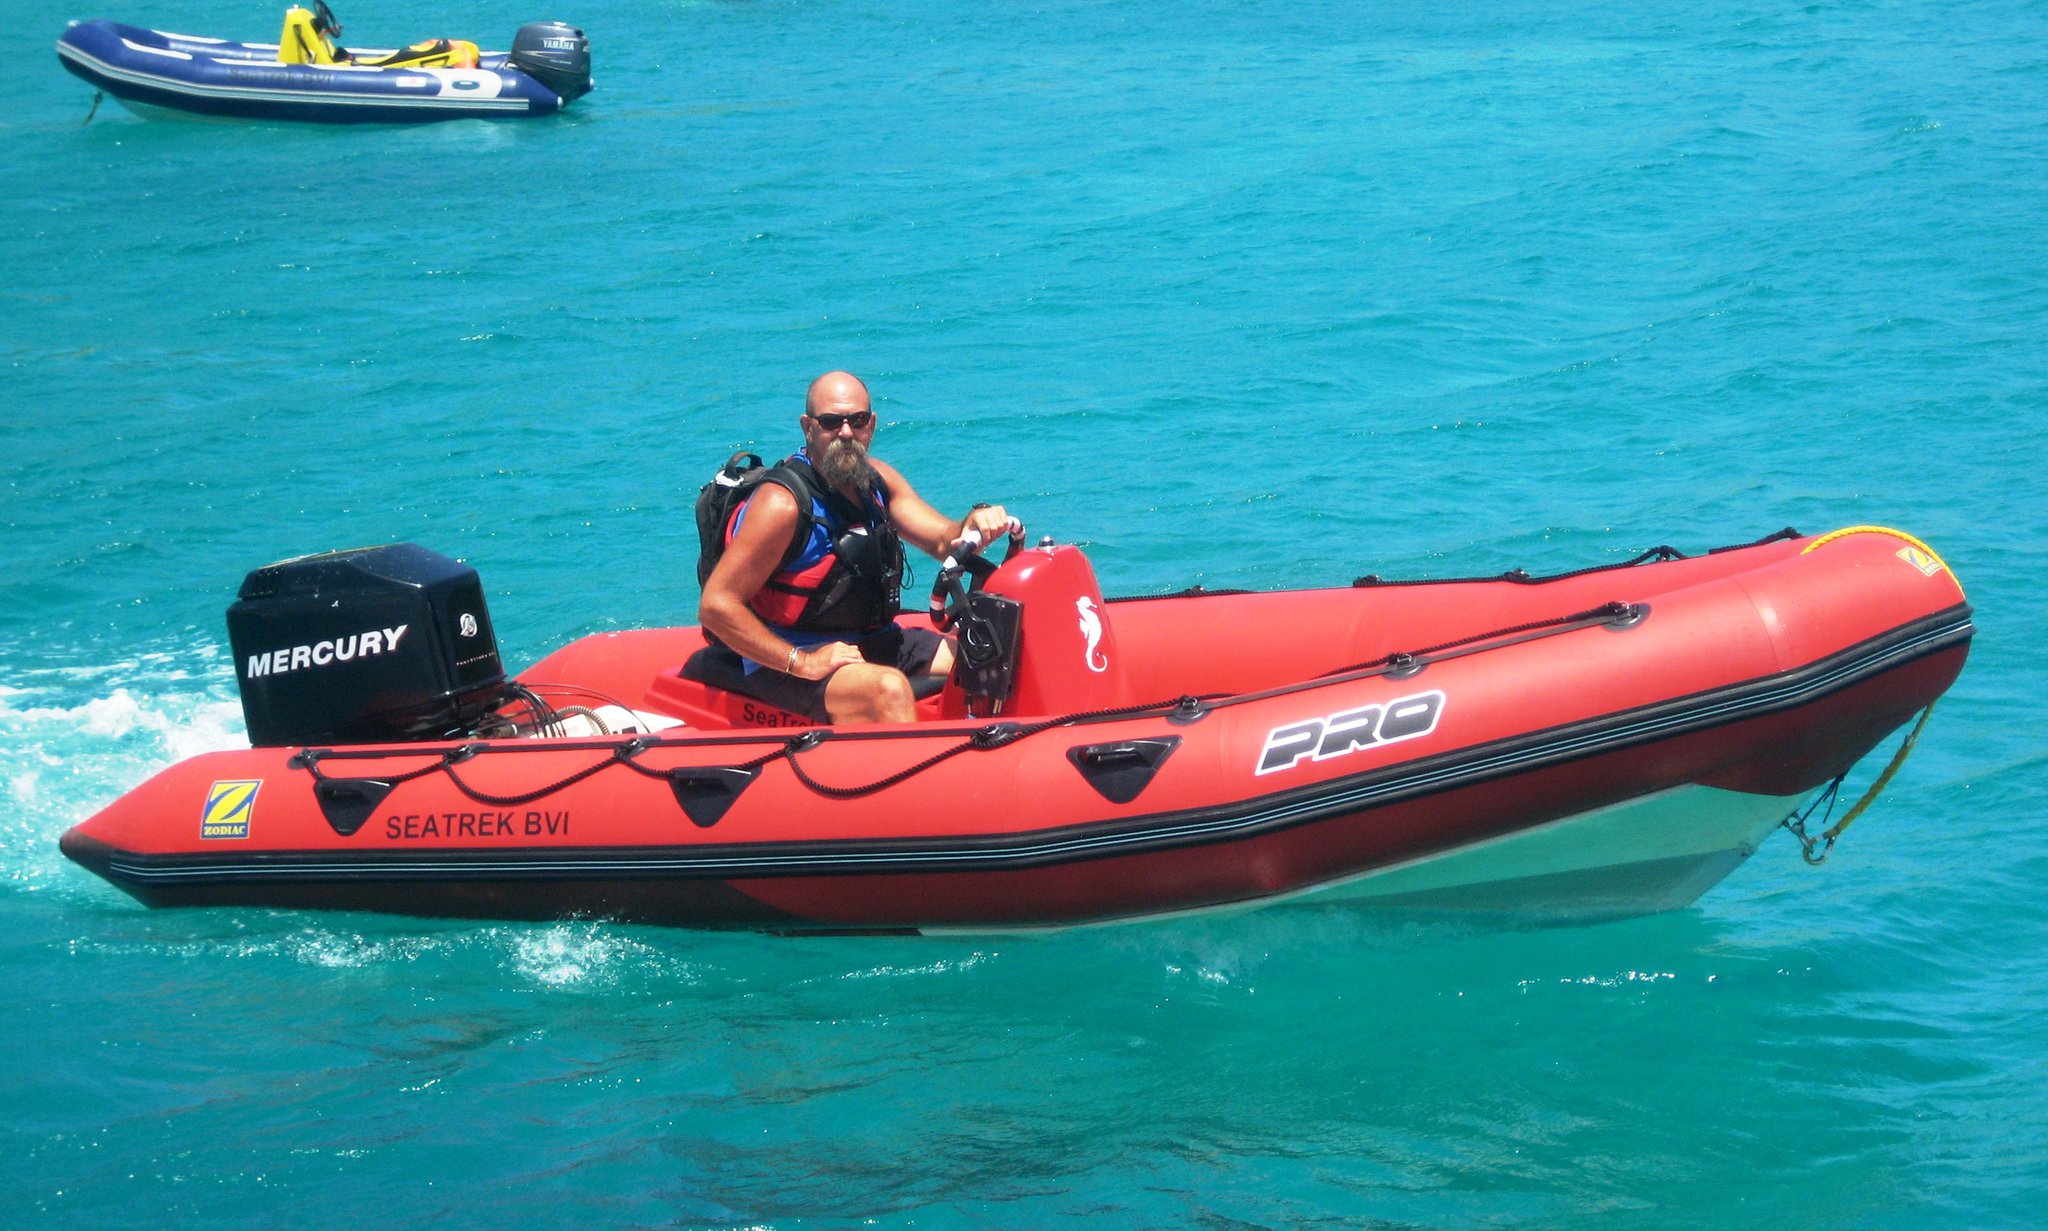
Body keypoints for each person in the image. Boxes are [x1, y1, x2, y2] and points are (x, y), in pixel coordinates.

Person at [696, 371, 1012, 725]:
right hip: (793, 659)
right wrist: (803, 662)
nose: (846, 432)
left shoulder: (876, 481)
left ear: (871, 424)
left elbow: (944, 540)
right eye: (831, 422)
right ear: (808, 427)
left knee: (995, 656)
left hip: (875, 641)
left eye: (857, 420)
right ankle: (909, 776)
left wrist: (975, 523)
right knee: (887, 689)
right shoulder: (782, 505)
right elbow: (716, 606)